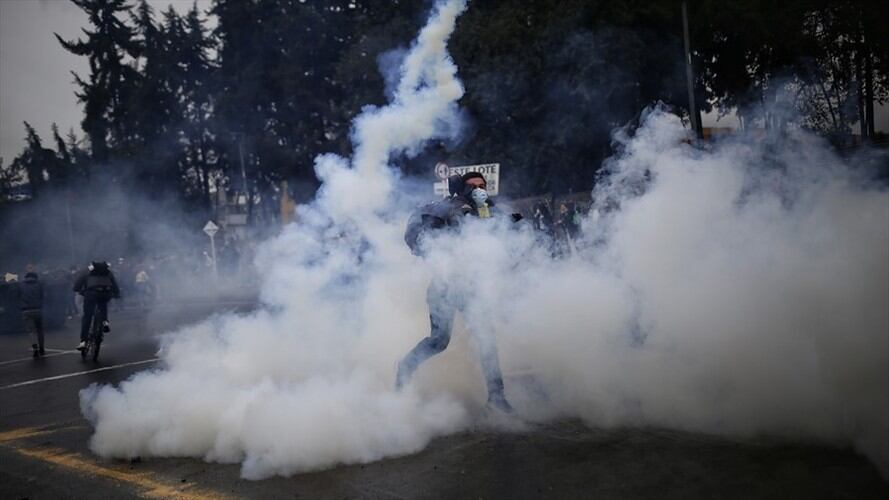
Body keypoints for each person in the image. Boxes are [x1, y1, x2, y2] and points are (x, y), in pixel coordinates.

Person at [396, 172, 517, 412]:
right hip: (444, 287)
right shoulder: (452, 208)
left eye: (483, 185)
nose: (480, 189)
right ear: (461, 189)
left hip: (469, 287)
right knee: (439, 341)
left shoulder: (486, 208)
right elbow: (459, 222)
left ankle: (497, 398)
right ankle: (405, 368)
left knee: (486, 339)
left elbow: (507, 227)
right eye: (473, 186)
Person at [73, 261, 121, 350]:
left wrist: (77, 289)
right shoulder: (108, 272)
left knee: (87, 317)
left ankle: (83, 342)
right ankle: (105, 322)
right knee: (103, 304)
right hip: (105, 293)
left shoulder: (86, 271)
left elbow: (77, 284)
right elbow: (114, 284)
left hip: (91, 294)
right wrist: (117, 294)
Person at [13, 269, 45, 357]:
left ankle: (35, 347)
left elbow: (16, 296)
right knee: (40, 330)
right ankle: (42, 348)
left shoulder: (21, 285)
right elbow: (43, 295)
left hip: (26, 310)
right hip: (38, 309)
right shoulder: (39, 284)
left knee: (31, 331)